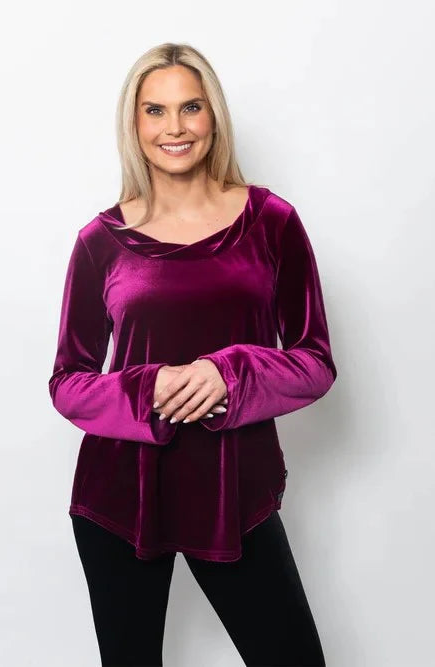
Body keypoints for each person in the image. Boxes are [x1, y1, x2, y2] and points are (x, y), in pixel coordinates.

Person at [48, 42, 337, 666]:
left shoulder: (272, 222)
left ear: (214, 116)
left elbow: (315, 360)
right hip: (121, 496)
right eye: (155, 110)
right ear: (134, 124)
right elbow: (68, 381)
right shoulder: (100, 241)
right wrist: (145, 389)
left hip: (236, 493)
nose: (174, 127)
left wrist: (230, 373)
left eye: (191, 107)